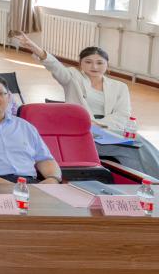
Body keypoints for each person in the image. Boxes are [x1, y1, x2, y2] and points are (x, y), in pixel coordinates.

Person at [15, 34, 158, 177]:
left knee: (138, 143)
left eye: (100, 63)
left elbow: (123, 114)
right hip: (82, 133)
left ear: (107, 65)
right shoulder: (72, 78)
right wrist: (36, 48)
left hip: (111, 131)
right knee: (133, 149)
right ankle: (148, 180)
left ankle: (145, 180)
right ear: (80, 63)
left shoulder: (120, 87)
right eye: (88, 62)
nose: (94, 67)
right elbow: (55, 66)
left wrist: (99, 125)